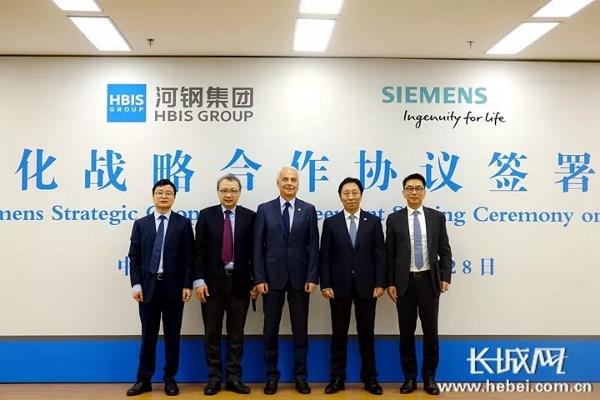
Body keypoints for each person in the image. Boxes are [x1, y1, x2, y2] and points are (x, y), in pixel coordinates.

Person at [253, 166, 319, 395]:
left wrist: (312, 276)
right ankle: (271, 377)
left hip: (301, 281)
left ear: (298, 184)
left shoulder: (308, 209)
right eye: (285, 179)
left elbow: (313, 246)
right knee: (270, 330)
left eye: (293, 180)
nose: (289, 183)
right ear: (278, 183)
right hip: (271, 281)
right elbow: (257, 247)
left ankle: (300, 377)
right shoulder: (265, 209)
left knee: (300, 331)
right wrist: (259, 277)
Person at [385, 173, 452, 396]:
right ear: (403, 192)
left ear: (424, 192)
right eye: (410, 188)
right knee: (406, 333)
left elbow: (445, 251)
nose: (414, 192)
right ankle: (410, 378)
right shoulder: (394, 219)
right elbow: (389, 255)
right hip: (404, 284)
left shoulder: (437, 218)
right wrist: (390, 282)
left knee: (431, 333)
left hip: (429, 283)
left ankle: (430, 378)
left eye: (418, 188)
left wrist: (445, 277)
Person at [127, 179, 194, 396]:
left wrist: (187, 284)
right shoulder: (141, 224)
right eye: (160, 192)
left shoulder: (183, 224)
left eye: (168, 193)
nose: (164, 196)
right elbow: (134, 257)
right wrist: (136, 284)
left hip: (174, 289)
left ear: (174, 197)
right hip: (148, 288)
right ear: (153, 195)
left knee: (172, 337)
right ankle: (143, 379)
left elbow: (188, 258)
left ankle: (170, 379)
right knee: (148, 336)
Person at [193, 174, 258, 395]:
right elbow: (198, 251)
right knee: (211, 333)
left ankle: (234, 378)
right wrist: (199, 281)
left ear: (239, 192)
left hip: (240, 283)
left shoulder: (250, 217)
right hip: (211, 285)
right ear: (218, 192)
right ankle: (214, 378)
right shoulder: (206, 215)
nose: (228, 195)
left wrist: (256, 280)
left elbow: (255, 253)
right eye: (224, 190)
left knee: (236, 334)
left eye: (233, 191)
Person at [319, 177, 385, 395]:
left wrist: (380, 282)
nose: (350, 197)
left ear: (361, 195)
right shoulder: (331, 223)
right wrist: (325, 284)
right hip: (338, 287)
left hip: (368, 287)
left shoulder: (373, 222)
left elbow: (380, 255)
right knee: (339, 335)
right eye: (346, 193)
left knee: (367, 334)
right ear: (340, 197)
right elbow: (325, 256)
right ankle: (337, 378)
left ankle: (370, 379)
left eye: (354, 192)